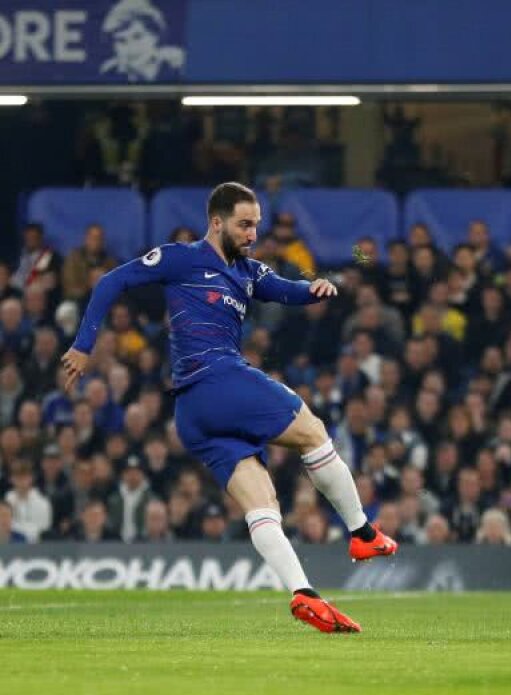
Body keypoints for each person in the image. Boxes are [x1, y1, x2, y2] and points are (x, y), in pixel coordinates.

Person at [60, 182, 397, 634]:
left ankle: (304, 594)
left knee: (262, 503)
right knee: (313, 431)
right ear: (216, 222)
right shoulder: (181, 258)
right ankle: (361, 534)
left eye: (256, 224)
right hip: (218, 380)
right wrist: (83, 346)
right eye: (244, 224)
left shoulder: (249, 272)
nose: (252, 233)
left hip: (194, 415)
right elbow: (111, 281)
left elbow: (286, 290)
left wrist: (315, 288)